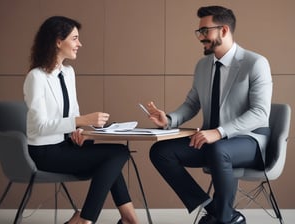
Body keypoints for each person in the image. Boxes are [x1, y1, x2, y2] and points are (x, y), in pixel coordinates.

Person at [146, 5, 272, 224]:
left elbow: (260, 113)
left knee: (218, 148)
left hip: (249, 141)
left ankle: (222, 219)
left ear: (223, 30)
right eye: (199, 32)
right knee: (160, 151)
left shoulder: (256, 63)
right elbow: (192, 104)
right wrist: (168, 119)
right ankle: (217, 211)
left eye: (205, 31)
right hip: (213, 142)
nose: (200, 37)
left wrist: (220, 132)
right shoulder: (203, 65)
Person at [23, 16, 139, 224]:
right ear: (58, 41)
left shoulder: (68, 73)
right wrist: (81, 120)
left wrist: (81, 131)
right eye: (75, 38)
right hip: (45, 152)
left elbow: (72, 114)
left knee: (112, 158)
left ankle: (120, 219)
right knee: (117, 153)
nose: (80, 44)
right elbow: (40, 127)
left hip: (67, 145)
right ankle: (89, 220)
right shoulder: (36, 77)